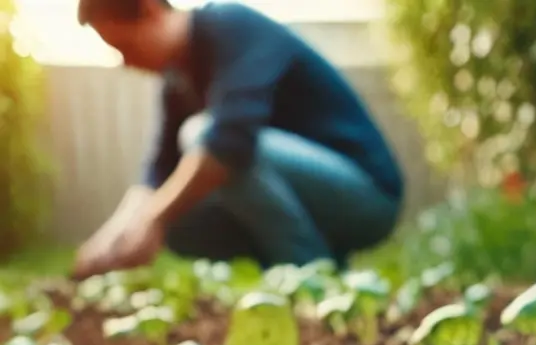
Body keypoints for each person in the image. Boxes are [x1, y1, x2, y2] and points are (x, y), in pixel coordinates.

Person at [72, 0, 404, 278]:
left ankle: (310, 277)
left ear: (149, 10)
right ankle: (298, 271)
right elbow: (156, 172)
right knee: (179, 224)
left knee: (202, 136)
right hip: (310, 197)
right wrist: (109, 239)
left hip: (368, 194)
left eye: (125, 47)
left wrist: (151, 219)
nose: (126, 63)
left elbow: (229, 143)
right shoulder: (176, 79)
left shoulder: (230, 25)